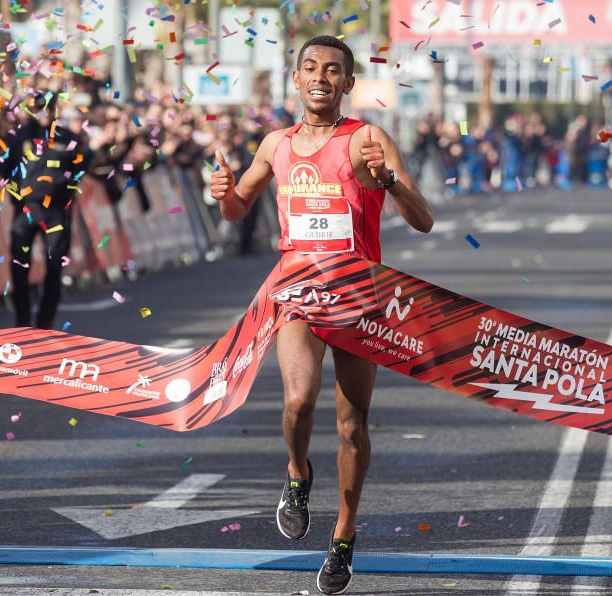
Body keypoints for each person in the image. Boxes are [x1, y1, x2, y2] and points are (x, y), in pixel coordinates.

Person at [209, 35, 433, 595]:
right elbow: (240, 206)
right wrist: (223, 194)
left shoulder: (368, 140)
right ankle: (297, 472)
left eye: (333, 70)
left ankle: (343, 537)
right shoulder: (276, 145)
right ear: (296, 77)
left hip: (360, 299)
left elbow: (422, 218)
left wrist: (387, 183)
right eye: (310, 67)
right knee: (296, 401)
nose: (320, 77)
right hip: (299, 296)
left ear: (348, 84)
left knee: (352, 425)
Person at [1, 95, 87, 329]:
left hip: (56, 212)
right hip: (26, 210)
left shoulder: (68, 138)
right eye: (37, 109)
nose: (42, 113)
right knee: (19, 266)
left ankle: (45, 323)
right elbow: (5, 171)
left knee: (55, 266)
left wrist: (65, 194)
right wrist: (16, 198)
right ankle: (23, 320)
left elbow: (79, 170)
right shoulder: (18, 136)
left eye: (47, 108)